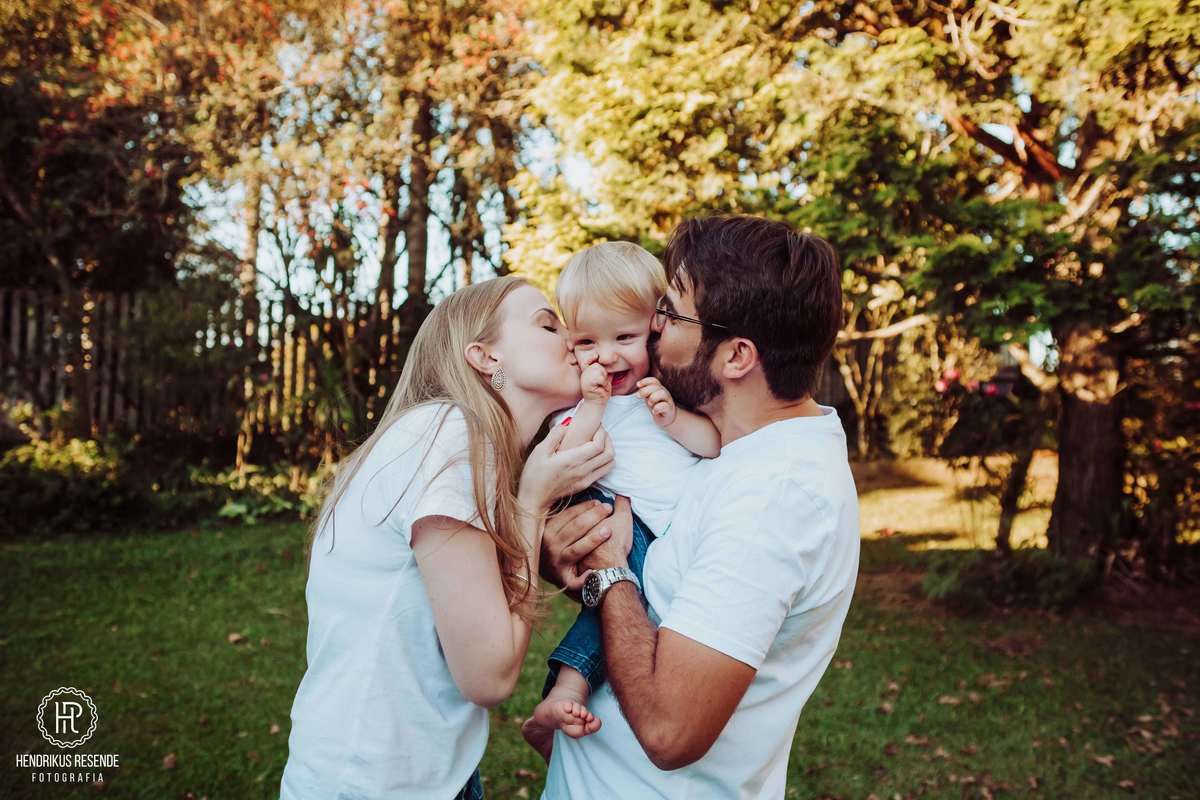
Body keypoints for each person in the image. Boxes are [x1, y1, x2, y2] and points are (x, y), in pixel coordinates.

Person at [539, 215, 861, 799]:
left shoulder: (774, 500)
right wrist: (566, 554)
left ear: (736, 356)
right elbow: (664, 588)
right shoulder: (738, 456)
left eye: (671, 313)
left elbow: (670, 732)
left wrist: (609, 572)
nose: (654, 328)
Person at [279, 276, 615, 800]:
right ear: (485, 357)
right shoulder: (451, 435)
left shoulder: (445, 435)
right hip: (376, 785)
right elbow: (488, 676)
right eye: (547, 325)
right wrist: (532, 503)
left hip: (420, 775)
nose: (572, 338)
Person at [520, 242, 720, 760]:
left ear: (654, 330)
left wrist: (672, 419)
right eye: (587, 341)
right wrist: (593, 405)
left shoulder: (667, 395)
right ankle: (565, 690)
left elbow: (712, 445)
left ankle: (564, 693)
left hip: (665, 529)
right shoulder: (580, 404)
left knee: (634, 603)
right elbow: (567, 455)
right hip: (613, 518)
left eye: (624, 338)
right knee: (621, 594)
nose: (606, 356)